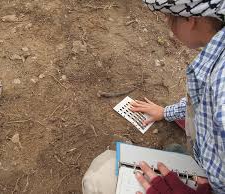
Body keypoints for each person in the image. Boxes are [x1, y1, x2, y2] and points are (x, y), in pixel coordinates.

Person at [82, 0, 225, 193]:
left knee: (101, 176)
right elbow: (203, 103)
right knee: (172, 155)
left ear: (190, 20)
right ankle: (186, 160)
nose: (167, 24)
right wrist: (166, 112)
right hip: (208, 165)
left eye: (168, 17)